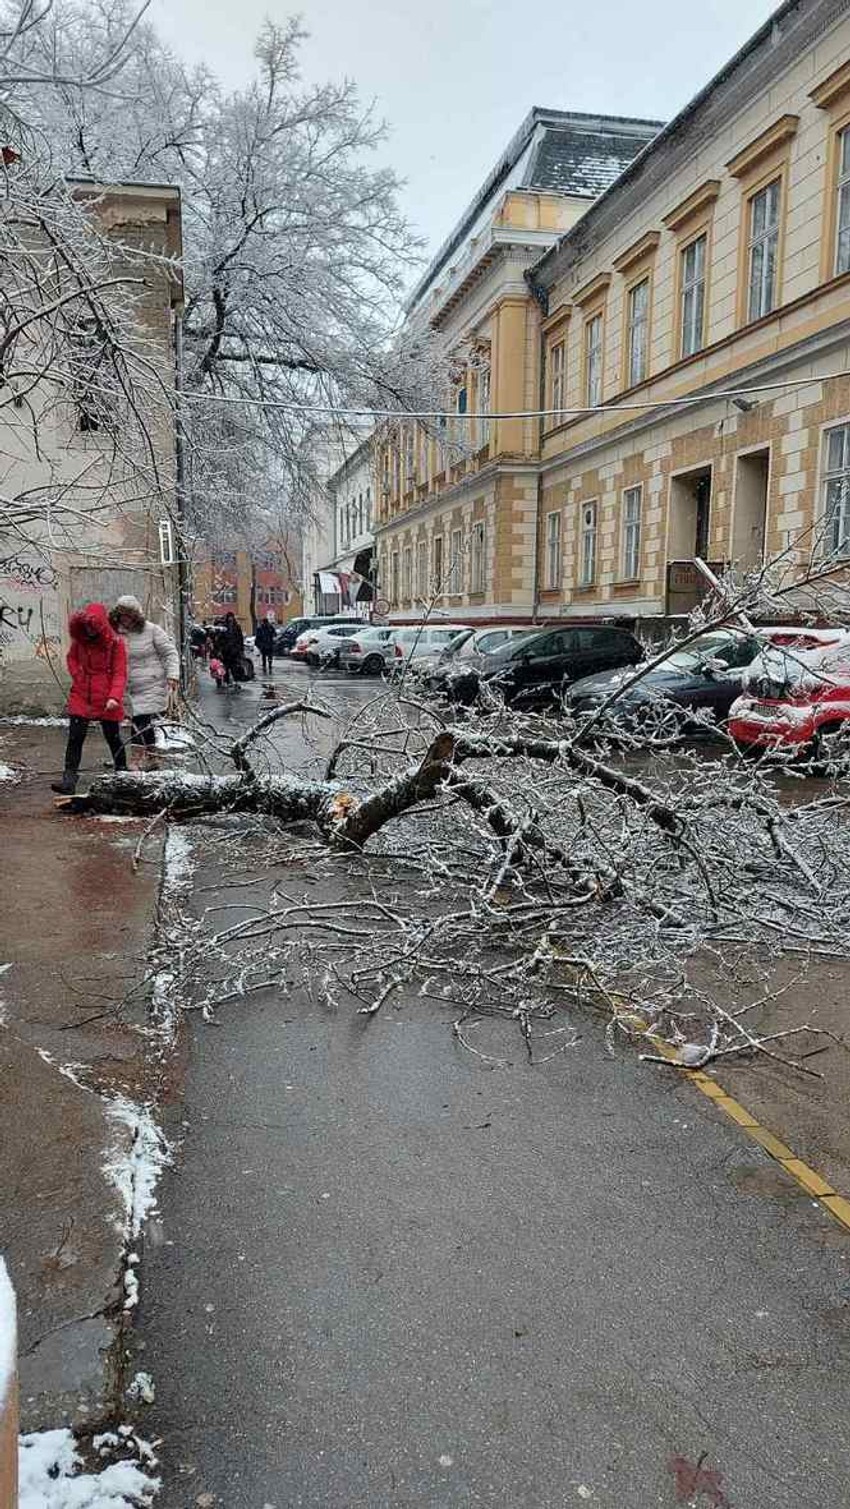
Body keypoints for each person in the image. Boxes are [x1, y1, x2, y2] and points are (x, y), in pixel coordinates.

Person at [51, 603, 128, 794]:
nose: (89, 631)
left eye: (93, 627)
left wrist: (114, 697)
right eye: (86, 627)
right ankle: (69, 779)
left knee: (113, 737)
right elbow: (71, 658)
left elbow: (120, 673)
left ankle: (122, 775)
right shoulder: (80, 641)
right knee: (75, 737)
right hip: (82, 694)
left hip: (106, 697)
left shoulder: (115, 644)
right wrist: (78, 674)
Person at [109, 595, 180, 765]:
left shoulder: (152, 630)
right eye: (121, 616)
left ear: (135, 616)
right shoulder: (115, 633)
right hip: (129, 687)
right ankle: (152, 757)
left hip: (152, 683)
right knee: (143, 721)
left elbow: (170, 653)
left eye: (128, 616)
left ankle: (136, 759)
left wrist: (173, 675)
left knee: (140, 719)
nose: (124, 620)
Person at [220, 611, 245, 689]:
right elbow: (220, 639)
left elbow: (240, 638)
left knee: (235, 667)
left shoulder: (237, 627)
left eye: (231, 617)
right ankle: (226, 681)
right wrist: (222, 648)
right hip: (226, 651)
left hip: (235, 651)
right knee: (226, 667)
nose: (230, 619)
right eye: (229, 617)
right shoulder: (224, 627)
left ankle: (236, 681)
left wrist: (241, 649)